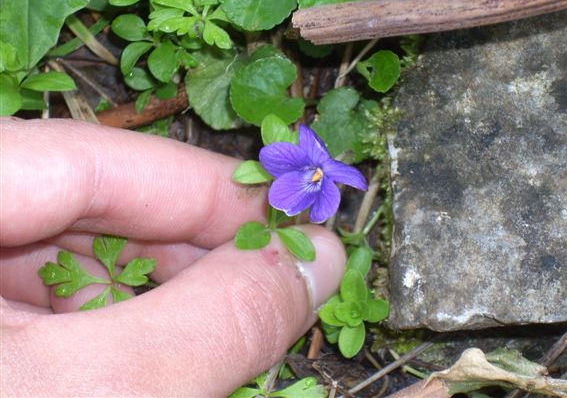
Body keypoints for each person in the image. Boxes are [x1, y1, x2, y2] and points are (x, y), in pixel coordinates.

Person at [0, 118, 346, 397]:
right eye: (315, 174)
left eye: (320, 177)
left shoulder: (316, 176)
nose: (316, 177)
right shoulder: (300, 168)